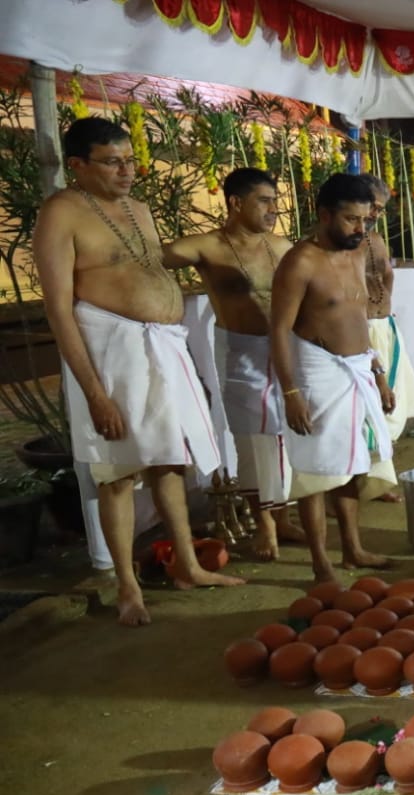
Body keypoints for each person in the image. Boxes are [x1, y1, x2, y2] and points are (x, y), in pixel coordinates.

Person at [35, 117, 242, 625]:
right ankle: (128, 586)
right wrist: (95, 394)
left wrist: (186, 361)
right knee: (118, 472)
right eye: (113, 162)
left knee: (170, 461)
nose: (128, 171)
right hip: (109, 354)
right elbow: (59, 309)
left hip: (162, 348)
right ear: (78, 165)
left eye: (130, 160)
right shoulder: (61, 211)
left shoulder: (140, 209)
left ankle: (188, 565)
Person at [161, 167, 297, 559]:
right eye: (264, 201)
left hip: (285, 348)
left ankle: (284, 518)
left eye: (275, 200)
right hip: (240, 349)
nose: (274, 209)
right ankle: (266, 528)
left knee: (286, 435)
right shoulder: (207, 246)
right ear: (236, 203)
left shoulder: (282, 246)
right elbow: (152, 261)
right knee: (253, 437)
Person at [268, 173, 396, 582]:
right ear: (324, 214)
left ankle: (353, 549)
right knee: (317, 471)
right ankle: (321, 563)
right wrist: (290, 392)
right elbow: (278, 331)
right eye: (351, 220)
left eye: (366, 220)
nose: (361, 229)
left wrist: (378, 374)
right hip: (317, 372)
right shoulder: (300, 261)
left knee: (352, 463)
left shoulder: (356, 252)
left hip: (357, 369)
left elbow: (358, 319)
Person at [360, 175, 414, 502]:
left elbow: (385, 278)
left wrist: (387, 318)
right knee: (368, 411)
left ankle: (378, 479)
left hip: (384, 327)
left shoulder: (377, 239)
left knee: (393, 407)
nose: (374, 215)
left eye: (380, 211)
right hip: (360, 330)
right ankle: (356, 485)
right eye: (371, 207)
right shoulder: (341, 245)